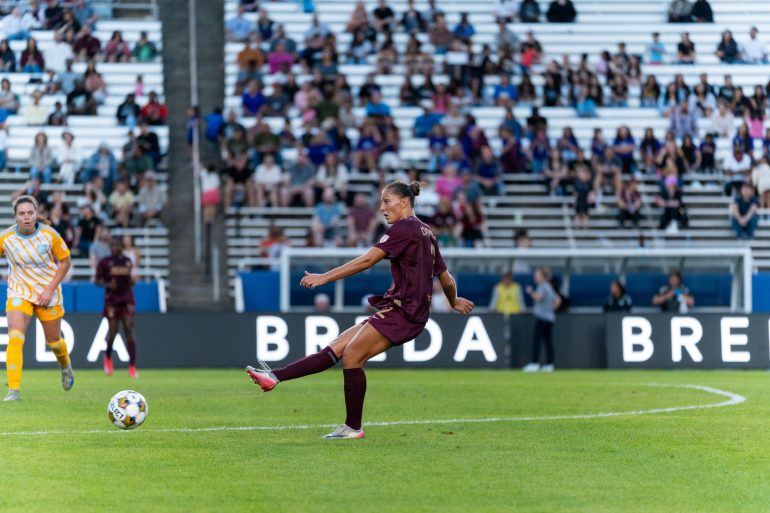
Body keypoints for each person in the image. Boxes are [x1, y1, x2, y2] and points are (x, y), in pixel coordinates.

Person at [245, 181, 474, 439]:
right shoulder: (427, 232)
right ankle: (273, 377)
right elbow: (446, 279)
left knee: (352, 355)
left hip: (405, 312)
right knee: (337, 348)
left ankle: (353, 427)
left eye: (386, 201)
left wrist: (324, 277)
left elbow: (367, 260)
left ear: (404, 202)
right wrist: (454, 301)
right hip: (400, 309)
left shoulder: (404, 228)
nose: (382, 208)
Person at [0, 195, 74, 401]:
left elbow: (65, 262)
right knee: (15, 335)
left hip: (47, 293)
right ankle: (14, 390)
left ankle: (65, 366)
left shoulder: (50, 235)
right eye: (22, 214)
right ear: (15, 217)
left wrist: (49, 290)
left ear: (36, 214)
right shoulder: (6, 238)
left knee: (54, 341)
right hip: (19, 292)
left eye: (30, 213)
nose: (26, 217)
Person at [96, 237, 138, 377]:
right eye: (112, 245)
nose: (114, 247)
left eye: (116, 245)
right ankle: (108, 358)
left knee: (129, 329)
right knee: (113, 333)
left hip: (126, 298)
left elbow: (130, 280)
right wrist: (108, 285)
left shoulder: (127, 261)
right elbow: (97, 281)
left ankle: (132, 366)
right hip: (112, 300)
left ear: (121, 246)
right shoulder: (105, 262)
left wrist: (131, 281)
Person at [522, 268, 560, 373]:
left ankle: (534, 363)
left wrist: (531, 292)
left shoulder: (542, 286)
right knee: (548, 342)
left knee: (537, 341)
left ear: (542, 277)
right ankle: (549, 364)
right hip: (549, 318)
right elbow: (558, 300)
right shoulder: (549, 286)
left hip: (542, 318)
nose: (535, 278)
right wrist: (551, 310)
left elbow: (539, 297)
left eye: (537, 276)